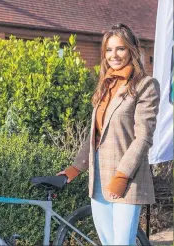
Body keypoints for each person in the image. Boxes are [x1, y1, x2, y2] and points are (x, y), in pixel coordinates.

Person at [57, 23, 160, 245]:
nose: (114, 55)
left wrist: (121, 177)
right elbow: (95, 136)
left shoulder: (146, 85)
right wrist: (75, 169)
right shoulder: (104, 86)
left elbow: (143, 137)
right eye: (109, 49)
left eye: (120, 48)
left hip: (127, 179)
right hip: (98, 179)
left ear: (131, 50)